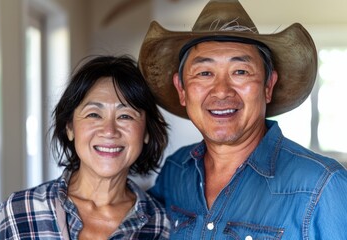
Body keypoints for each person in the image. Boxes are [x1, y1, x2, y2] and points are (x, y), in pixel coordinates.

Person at [138, 0, 347, 239]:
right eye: (205, 73)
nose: (222, 91)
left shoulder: (322, 185)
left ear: (268, 85)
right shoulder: (176, 171)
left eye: (240, 72)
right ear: (182, 89)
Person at [0, 55, 170, 239]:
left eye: (125, 116)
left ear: (147, 131)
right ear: (70, 127)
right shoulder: (19, 213)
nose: (109, 131)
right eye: (94, 114)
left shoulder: (162, 225)